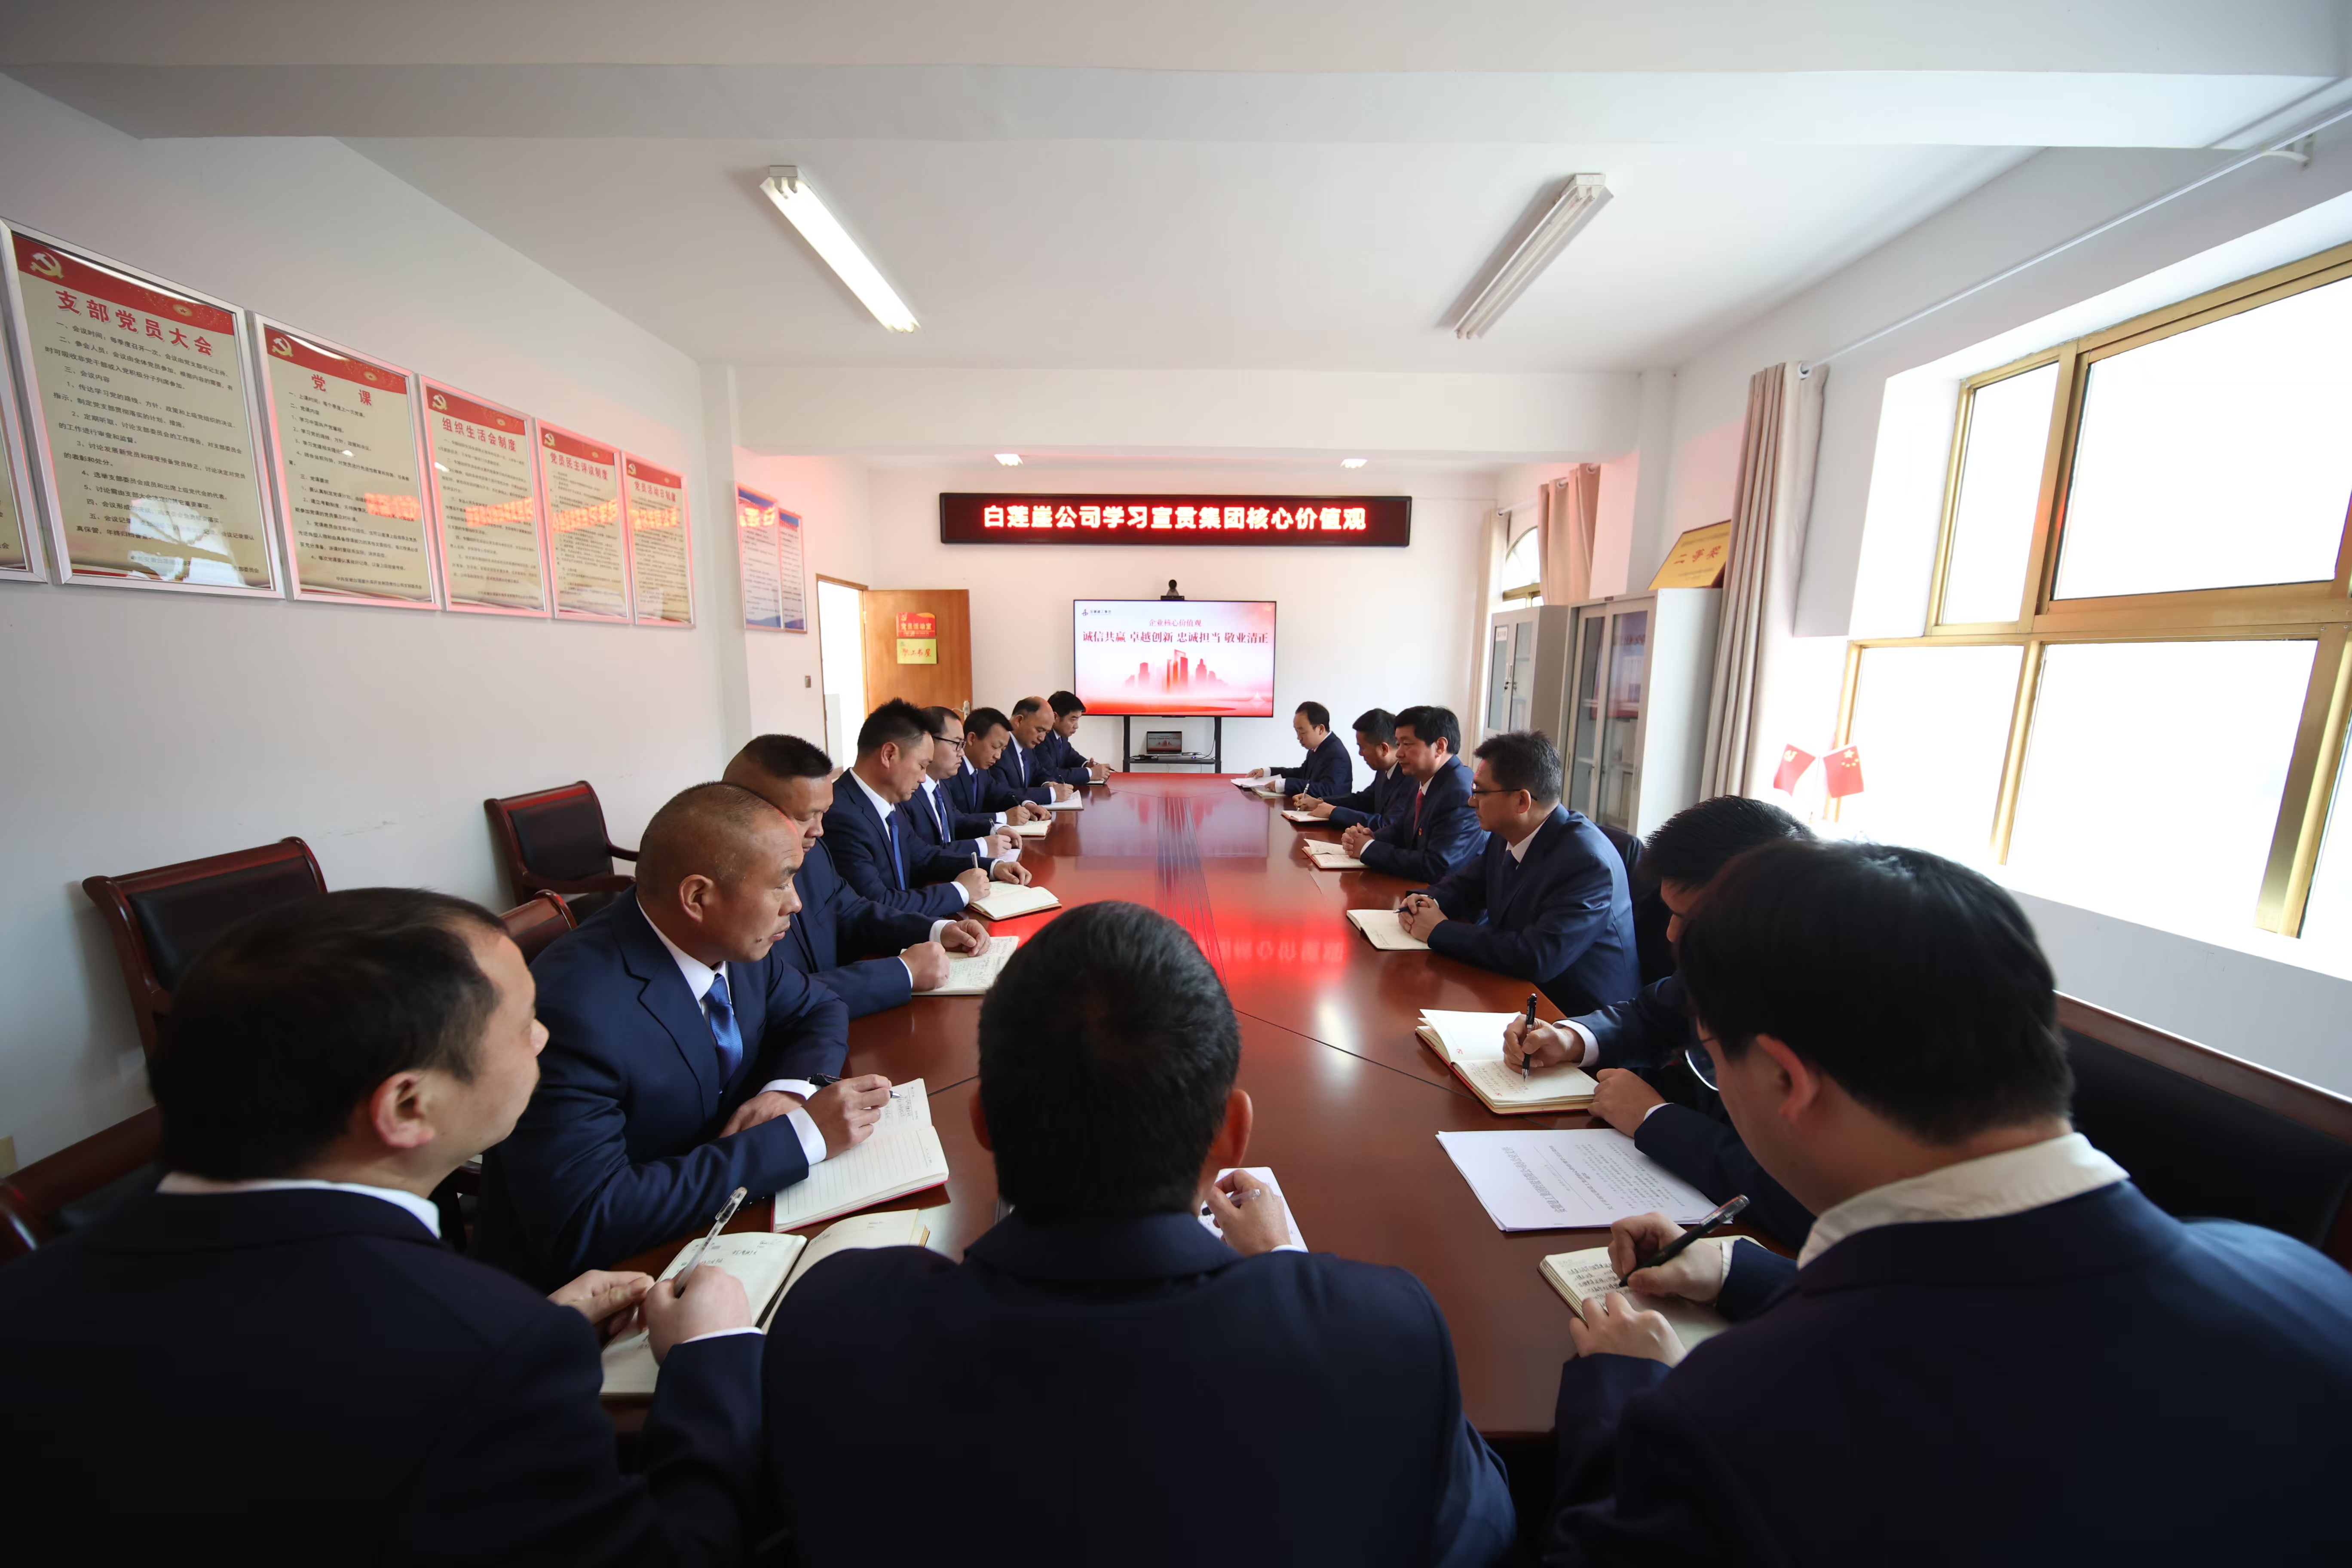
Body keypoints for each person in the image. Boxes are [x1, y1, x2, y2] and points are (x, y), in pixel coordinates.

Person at [1539, 841, 2352, 1563]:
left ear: (1788, 1079)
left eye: (1714, 1058)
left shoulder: (1736, 1422)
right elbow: (2012, 1332)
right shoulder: (2307, 1282)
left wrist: (1618, 1389)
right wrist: (1740, 1273)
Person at [0, 888, 765, 1563]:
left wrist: (520, 1329)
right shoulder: (488, 1357)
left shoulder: (26, 1296)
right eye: (525, 1023)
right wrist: (708, 1358)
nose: (543, 1038)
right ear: (407, 1105)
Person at [763, 901, 1517, 1568]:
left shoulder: (838, 1328)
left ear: (983, 1122)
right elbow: (1481, 1527)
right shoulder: (1380, 1337)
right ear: (1232, 1135)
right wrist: (1285, 1269)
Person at [475, 782, 890, 1288]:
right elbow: (588, 1217)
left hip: (711, 1218)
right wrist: (800, 1136)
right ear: (698, 897)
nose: (796, 904)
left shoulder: (734, 942)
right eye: (781, 884)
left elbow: (818, 1007)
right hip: (592, 1286)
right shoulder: (573, 1008)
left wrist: (786, 1092)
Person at [1504, 795, 1814, 1246]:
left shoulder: (1829, 1007)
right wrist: (1572, 1039)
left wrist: (1654, 1119)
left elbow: (1803, 1193)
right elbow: (1650, 1015)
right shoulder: (1726, 955)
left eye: (1688, 919)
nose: (1671, 934)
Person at [723, 732, 997, 1016]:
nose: (819, 830)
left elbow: (852, 911)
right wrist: (902, 972)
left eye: (822, 814)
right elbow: (776, 997)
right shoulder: (728, 892)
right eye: (805, 817)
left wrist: (937, 930)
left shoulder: (813, 852)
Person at [1397, 730, 1638, 1016]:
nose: (1471, 802)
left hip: (1575, 1015)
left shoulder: (1586, 863)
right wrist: (1426, 901)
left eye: (1479, 792)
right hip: (1517, 990)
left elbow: (1538, 956)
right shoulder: (1508, 832)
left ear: (1522, 802)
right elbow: (1468, 886)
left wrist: (1439, 929)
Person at [822, 699, 1025, 922]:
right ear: (889, 755)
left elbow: (924, 856)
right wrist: (960, 891)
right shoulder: (842, 816)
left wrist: (993, 867)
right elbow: (878, 904)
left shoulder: (887, 801)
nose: (922, 779)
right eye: (921, 766)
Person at [1341, 704, 1485, 881]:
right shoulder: (1424, 778)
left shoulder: (1459, 792)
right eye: (1398, 744)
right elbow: (1405, 829)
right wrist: (1371, 837)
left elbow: (1437, 865)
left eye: (1407, 744)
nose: (1399, 753)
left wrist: (1368, 848)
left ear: (1440, 746)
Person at [908, 706, 1033, 876]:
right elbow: (924, 855)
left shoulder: (939, 784)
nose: (962, 753)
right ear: (928, 742)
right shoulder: (908, 793)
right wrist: (982, 846)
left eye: (963, 745)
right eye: (957, 744)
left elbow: (956, 820)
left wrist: (993, 829)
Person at [1297, 707, 1410, 829]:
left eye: (1363, 748)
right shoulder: (1384, 769)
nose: (1360, 754)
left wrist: (1334, 812)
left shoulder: (1410, 778)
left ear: (1384, 749)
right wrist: (1320, 802)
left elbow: (1386, 824)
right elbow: (1364, 800)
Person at [952, 706, 1047, 823]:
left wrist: (1026, 804)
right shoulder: (950, 771)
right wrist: (1004, 818)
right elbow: (955, 819)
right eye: (995, 747)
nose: (998, 756)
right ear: (972, 739)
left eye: (1003, 750)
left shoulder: (982, 771)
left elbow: (1000, 793)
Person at [1246, 700, 1353, 798]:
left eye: (1302, 732)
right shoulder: (1318, 747)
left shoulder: (1336, 753)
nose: (1299, 737)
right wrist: (1268, 772)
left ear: (1320, 729)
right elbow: (1303, 774)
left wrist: (1285, 785)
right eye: (1296, 731)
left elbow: (1329, 791)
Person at [992, 696, 1079, 804]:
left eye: (1046, 733)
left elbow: (1038, 771)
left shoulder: (1028, 746)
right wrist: (1051, 794)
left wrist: (1048, 784)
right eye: (1039, 730)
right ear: (1019, 721)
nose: (1042, 738)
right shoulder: (998, 750)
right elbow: (1002, 794)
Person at [1039, 690, 1113, 783]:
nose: (1076, 726)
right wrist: (1090, 773)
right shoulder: (1041, 738)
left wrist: (1087, 765)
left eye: (1078, 720)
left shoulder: (1061, 735)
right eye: (1073, 720)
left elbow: (1071, 756)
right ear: (1055, 717)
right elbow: (1051, 774)